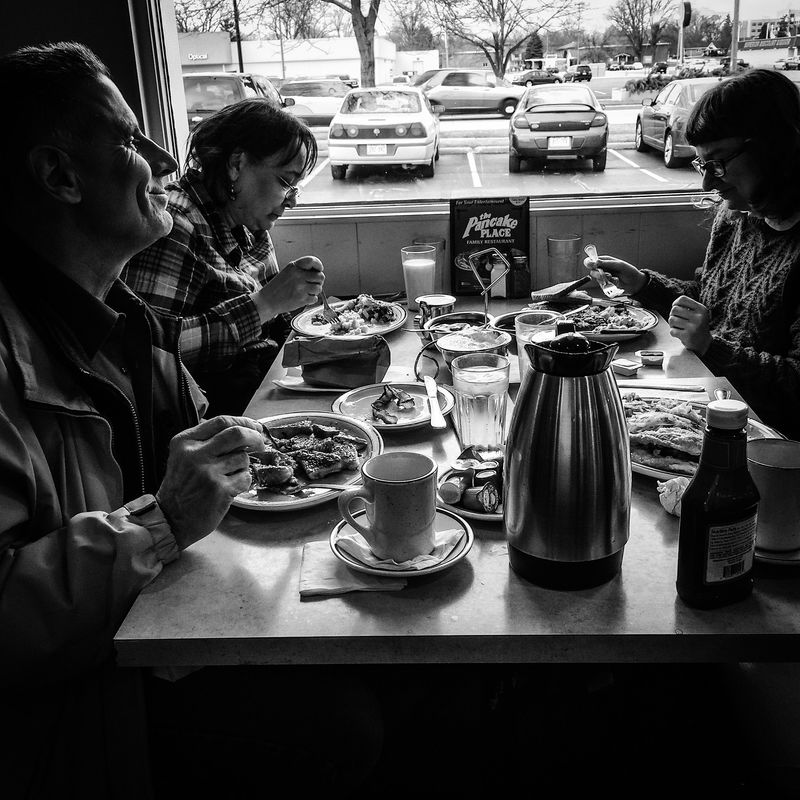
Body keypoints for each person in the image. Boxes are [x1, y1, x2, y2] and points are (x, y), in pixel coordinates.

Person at [0, 42, 380, 799]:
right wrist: (161, 522)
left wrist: (273, 450)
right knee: (354, 726)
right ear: (60, 176)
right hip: (78, 716)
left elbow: (209, 443)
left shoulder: (123, 324)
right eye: (132, 140)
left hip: (163, 630)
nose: (166, 163)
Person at [588, 68, 800, 439]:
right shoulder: (736, 218)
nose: (707, 182)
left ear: (774, 147)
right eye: (703, 164)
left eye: (717, 162)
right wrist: (642, 284)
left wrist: (712, 347)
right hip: (713, 397)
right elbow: (708, 305)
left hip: (770, 437)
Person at [123, 98, 325, 416]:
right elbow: (145, 356)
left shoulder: (248, 222)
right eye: (286, 182)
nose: (292, 202)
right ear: (236, 164)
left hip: (264, 388)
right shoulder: (175, 222)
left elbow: (275, 325)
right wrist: (264, 305)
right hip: (215, 416)